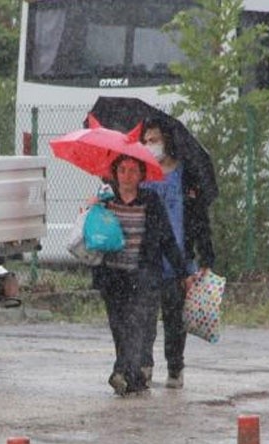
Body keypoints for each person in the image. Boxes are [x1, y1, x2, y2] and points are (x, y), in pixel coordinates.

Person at [90, 153, 191, 396]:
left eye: (133, 171)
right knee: (119, 327)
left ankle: (120, 371)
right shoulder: (105, 199)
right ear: (115, 173)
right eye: (122, 170)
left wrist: (182, 272)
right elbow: (92, 232)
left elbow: (167, 238)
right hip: (113, 276)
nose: (127, 176)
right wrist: (90, 209)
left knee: (137, 327)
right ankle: (132, 377)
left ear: (141, 175)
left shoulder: (151, 200)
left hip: (143, 276)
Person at [140, 117, 216, 389]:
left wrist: (206, 258)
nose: (150, 146)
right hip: (147, 259)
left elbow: (199, 219)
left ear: (166, 141)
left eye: (155, 140)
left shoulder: (185, 177)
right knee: (145, 318)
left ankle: (175, 367)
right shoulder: (140, 174)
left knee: (174, 318)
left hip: (179, 259)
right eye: (146, 141)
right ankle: (144, 365)